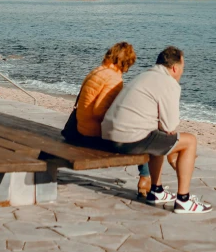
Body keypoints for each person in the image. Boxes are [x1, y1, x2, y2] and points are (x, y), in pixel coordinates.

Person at [102, 46, 212, 214]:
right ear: (175, 68)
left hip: (109, 136)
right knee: (190, 141)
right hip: (127, 140)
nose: (182, 72)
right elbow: (169, 127)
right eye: (182, 68)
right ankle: (183, 200)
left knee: (156, 137)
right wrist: (173, 154)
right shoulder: (169, 83)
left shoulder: (144, 76)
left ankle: (157, 190)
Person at [61, 41, 151, 197]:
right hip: (91, 135)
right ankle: (146, 177)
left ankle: (146, 177)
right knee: (141, 140)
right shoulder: (114, 79)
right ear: (127, 62)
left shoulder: (97, 71)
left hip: (79, 128)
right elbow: (99, 112)